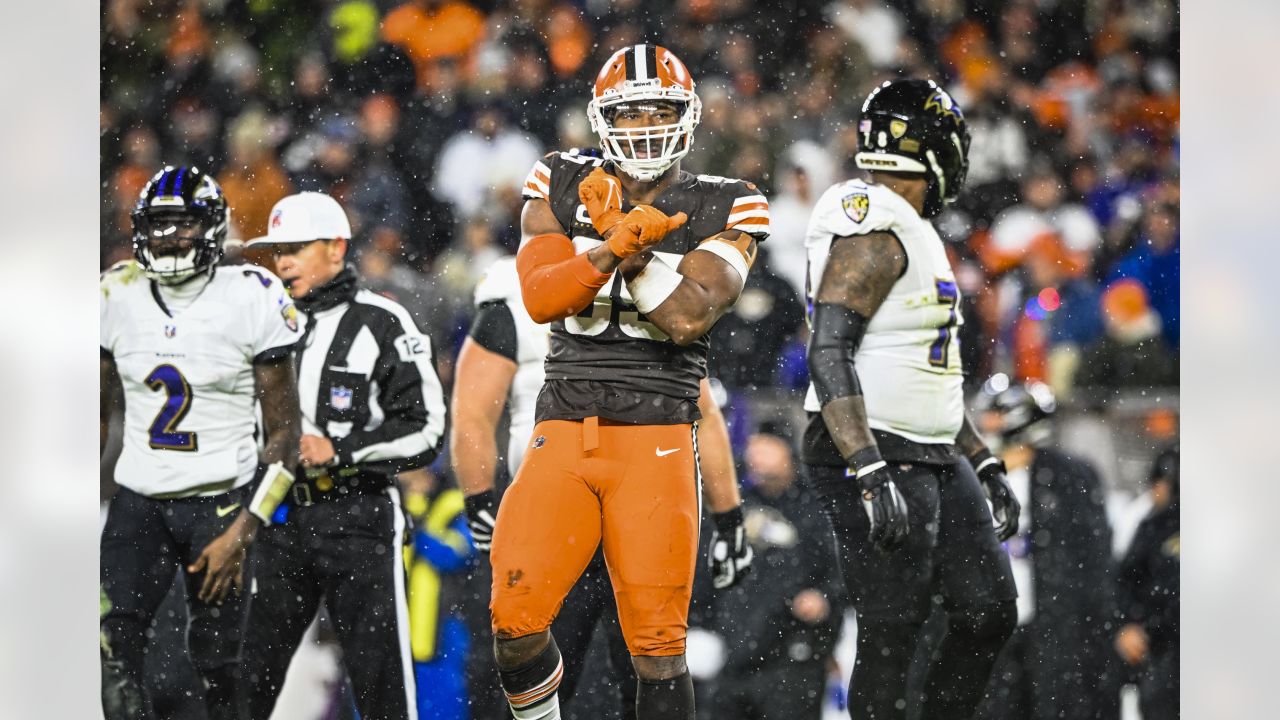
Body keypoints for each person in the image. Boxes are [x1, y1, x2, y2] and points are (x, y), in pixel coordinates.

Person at [485, 43, 767, 720]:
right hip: (564, 424)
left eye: (659, 110)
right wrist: (613, 244)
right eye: (629, 112)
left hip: (658, 438)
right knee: (514, 620)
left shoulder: (730, 201)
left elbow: (689, 316)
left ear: (688, 117)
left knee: (657, 648)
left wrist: (622, 244)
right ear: (602, 118)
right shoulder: (558, 178)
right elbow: (543, 298)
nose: (644, 124)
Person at [800, 79, 1019, 720]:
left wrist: (980, 458)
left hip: (927, 445)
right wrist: (866, 467)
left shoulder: (916, 228)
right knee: (894, 627)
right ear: (933, 149)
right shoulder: (873, 225)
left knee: (987, 610)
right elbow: (827, 350)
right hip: (872, 444)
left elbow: (934, 375)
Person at [454, 253, 752, 720]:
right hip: (577, 505)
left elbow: (470, 412)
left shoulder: (636, 276)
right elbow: (471, 411)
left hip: (601, 504)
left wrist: (479, 500)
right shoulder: (527, 293)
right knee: (570, 660)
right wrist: (729, 516)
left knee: (639, 662)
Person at [100, 166, 303, 720]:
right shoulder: (116, 290)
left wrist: (245, 529)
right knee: (111, 656)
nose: (168, 238)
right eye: (158, 226)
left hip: (219, 503)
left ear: (211, 229)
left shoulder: (252, 293)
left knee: (221, 671)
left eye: (182, 225)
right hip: (138, 501)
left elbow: (285, 436)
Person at [239, 192, 448, 720]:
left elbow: (427, 429)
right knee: (244, 680)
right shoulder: (257, 320)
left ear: (336, 248)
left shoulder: (383, 321)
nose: (282, 261)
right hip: (275, 518)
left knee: (380, 684)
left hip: (357, 517)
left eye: (295, 247)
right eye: (276, 250)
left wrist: (344, 451)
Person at [971, 375, 1119, 720]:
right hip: (994, 631)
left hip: (1055, 633)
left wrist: (1089, 631)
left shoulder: (1070, 478)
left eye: (995, 414)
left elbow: (1093, 564)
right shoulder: (969, 478)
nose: (985, 423)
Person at [708, 430, 844, 720]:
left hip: (794, 657)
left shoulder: (819, 508)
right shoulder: (734, 507)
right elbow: (708, 572)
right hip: (733, 657)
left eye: (767, 446)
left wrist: (824, 598)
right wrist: (699, 627)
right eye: (752, 447)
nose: (756, 455)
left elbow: (841, 571)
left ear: (788, 452)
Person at [400, 469, 476, 720]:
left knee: (441, 708)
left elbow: (455, 554)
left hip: (442, 632)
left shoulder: (454, 504)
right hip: (394, 629)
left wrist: (417, 525)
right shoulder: (391, 502)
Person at [1113, 445, 1179, 719]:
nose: (1156, 490)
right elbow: (1125, 580)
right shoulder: (1150, 525)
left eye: (1163, 482)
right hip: (1160, 649)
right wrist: (1125, 624)